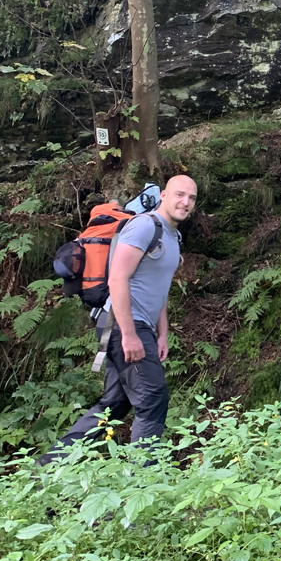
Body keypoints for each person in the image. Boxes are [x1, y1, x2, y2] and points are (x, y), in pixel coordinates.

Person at [39, 175, 198, 464]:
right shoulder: (144, 226)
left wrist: (162, 334)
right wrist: (129, 335)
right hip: (123, 324)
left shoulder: (172, 236)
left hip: (140, 326)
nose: (185, 202)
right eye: (180, 194)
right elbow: (117, 279)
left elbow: (158, 288)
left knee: (113, 405)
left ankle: (47, 467)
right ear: (164, 195)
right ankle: (142, 481)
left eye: (191, 198)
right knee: (153, 399)